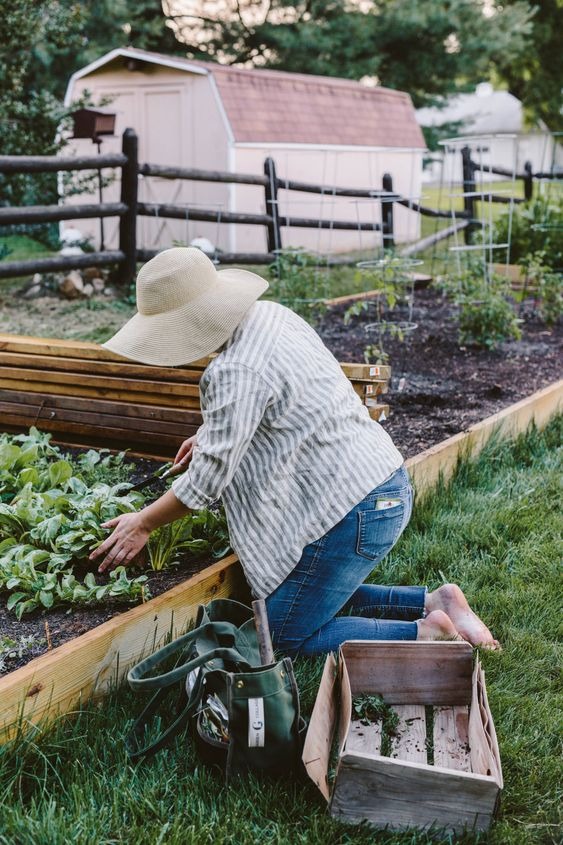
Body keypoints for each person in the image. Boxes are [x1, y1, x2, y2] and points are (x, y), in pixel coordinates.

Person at [90, 247, 499, 654]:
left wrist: (143, 523)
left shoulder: (233, 370)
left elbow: (208, 481)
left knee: (282, 633)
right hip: (380, 483)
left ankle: (426, 634)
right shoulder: (270, 316)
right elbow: (279, 396)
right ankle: (433, 603)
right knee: (302, 599)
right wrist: (211, 433)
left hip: (354, 511)